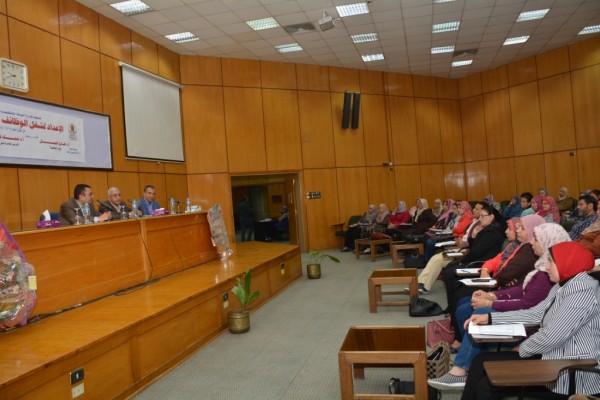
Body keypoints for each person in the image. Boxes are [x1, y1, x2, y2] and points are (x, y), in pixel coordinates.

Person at [428, 221, 567, 391]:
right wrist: (492, 295)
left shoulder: (547, 273)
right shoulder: (542, 264)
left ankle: (461, 368)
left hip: (528, 326)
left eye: (536, 239)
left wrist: (490, 303)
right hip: (522, 310)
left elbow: (527, 306)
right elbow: (522, 290)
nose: (532, 241)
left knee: (479, 312)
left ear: (547, 242)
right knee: (467, 307)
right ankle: (468, 357)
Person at [460, 241, 600, 400]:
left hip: (569, 371)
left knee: (485, 384)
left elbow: (551, 337)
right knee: (480, 363)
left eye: (550, 261)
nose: (546, 267)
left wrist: (522, 348)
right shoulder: (564, 284)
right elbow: (535, 314)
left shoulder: (581, 290)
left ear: (566, 262)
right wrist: (490, 318)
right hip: (554, 358)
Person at [416, 201, 478, 294]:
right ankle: (421, 283)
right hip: (458, 242)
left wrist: (461, 240)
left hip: (463, 247)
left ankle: (423, 285)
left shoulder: (470, 219)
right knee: (435, 257)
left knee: (436, 255)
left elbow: (459, 230)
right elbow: (458, 231)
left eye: (477, 209)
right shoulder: (471, 220)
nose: (474, 210)